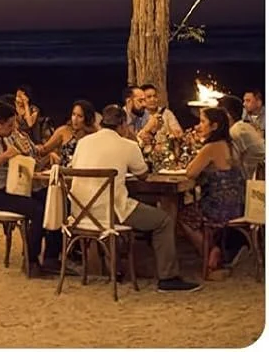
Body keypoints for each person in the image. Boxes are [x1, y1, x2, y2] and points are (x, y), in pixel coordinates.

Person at [69, 104, 199, 292]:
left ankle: (113, 267)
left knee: (137, 209)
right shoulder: (127, 146)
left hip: (81, 212)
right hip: (111, 211)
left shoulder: (84, 143)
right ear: (122, 124)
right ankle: (168, 277)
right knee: (163, 220)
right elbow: (143, 174)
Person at [0, 100, 59, 277]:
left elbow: (32, 155)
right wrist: (5, 156)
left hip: (16, 187)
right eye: (10, 125)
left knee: (54, 199)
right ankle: (31, 262)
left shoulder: (10, 137)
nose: (13, 128)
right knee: (37, 210)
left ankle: (52, 257)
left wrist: (33, 151)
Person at [178, 106, 247, 276]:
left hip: (219, 207)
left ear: (214, 126)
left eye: (202, 122)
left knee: (183, 217)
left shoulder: (211, 147)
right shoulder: (231, 145)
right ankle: (215, 251)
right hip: (239, 204)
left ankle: (210, 253)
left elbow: (190, 172)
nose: (198, 126)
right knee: (193, 209)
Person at [36, 100, 98, 167]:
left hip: (85, 172)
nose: (75, 119)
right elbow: (44, 150)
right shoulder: (64, 131)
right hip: (65, 173)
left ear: (87, 118)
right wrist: (35, 148)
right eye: (73, 114)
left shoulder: (94, 135)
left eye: (80, 116)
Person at [219, 95, 265, 180]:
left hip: (253, 185)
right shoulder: (242, 127)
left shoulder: (237, 131)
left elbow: (228, 163)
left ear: (227, 115)